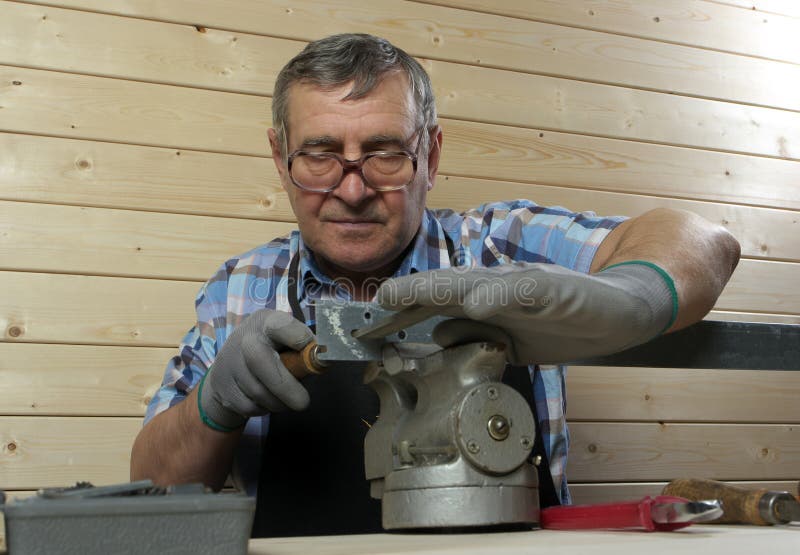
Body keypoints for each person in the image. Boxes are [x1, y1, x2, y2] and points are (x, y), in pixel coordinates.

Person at [130, 33, 740, 536]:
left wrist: (633, 299)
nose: (351, 188)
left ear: (432, 154)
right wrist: (213, 405)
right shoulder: (238, 289)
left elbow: (706, 242)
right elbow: (153, 492)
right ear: (278, 156)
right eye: (319, 154)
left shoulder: (500, 245)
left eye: (384, 153)